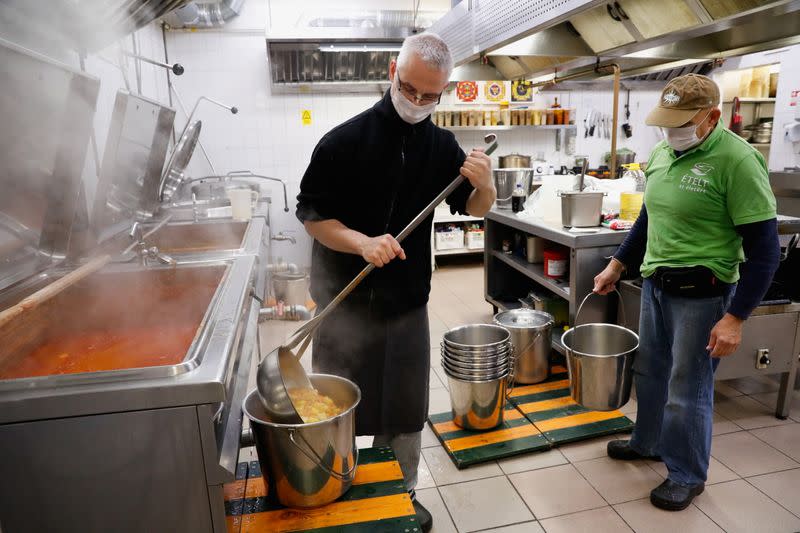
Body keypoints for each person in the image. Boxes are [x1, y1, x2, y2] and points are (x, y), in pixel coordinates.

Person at [296, 33, 495, 531]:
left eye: (432, 96)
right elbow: (312, 215)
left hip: (406, 302)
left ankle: (401, 493)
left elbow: (471, 208)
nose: (419, 103)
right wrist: (362, 242)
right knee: (336, 405)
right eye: (411, 90)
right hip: (344, 302)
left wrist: (486, 185)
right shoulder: (343, 141)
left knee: (405, 409)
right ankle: (336, 484)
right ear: (392, 72)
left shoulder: (441, 146)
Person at [593, 73, 780, 511]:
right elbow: (647, 221)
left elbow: (765, 250)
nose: (672, 132)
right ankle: (648, 442)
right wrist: (618, 264)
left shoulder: (738, 160)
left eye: (682, 123)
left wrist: (735, 317)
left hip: (703, 294)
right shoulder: (663, 152)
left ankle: (686, 474)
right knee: (651, 374)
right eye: (667, 122)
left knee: (687, 387)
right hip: (656, 285)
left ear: (711, 117)